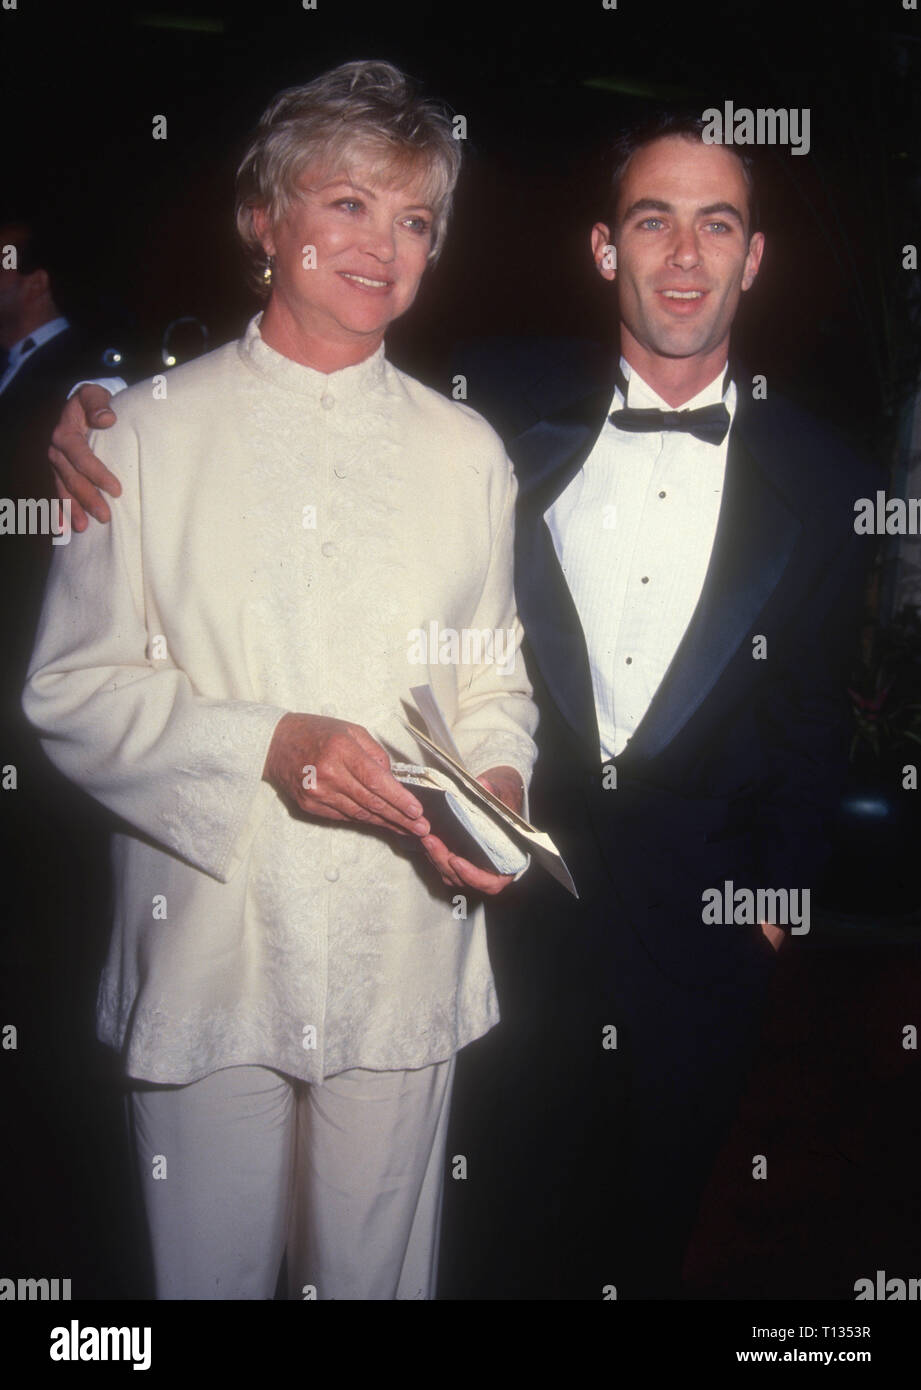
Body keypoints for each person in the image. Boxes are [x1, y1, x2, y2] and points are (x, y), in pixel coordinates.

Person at [47, 109, 876, 1300]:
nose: (685, 257)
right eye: (654, 221)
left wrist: (773, 899)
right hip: (404, 941)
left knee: (600, 1246)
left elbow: (801, 704)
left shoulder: (812, 474)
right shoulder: (508, 418)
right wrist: (87, 394)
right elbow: (83, 660)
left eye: (416, 219)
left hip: (591, 945)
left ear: (755, 257)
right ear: (605, 249)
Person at [22, 59, 537, 1302]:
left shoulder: (468, 451)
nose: (384, 245)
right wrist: (268, 743)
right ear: (267, 218)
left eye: (415, 219)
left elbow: (495, 672)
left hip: (403, 940)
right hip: (208, 942)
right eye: (349, 203)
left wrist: (501, 783)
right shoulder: (134, 433)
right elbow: (70, 689)